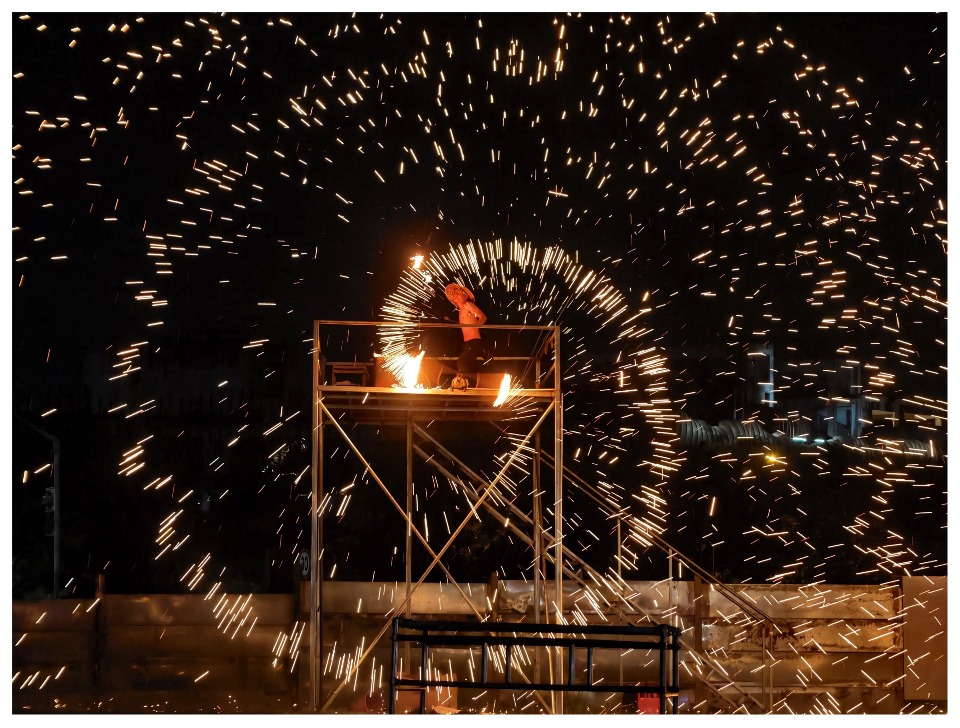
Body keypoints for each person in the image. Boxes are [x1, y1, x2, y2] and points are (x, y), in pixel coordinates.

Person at [444, 283, 488, 387]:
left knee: (462, 363)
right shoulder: (461, 311)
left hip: (474, 343)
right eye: (455, 294)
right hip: (467, 344)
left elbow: (483, 317)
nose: (458, 296)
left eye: (460, 293)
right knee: (464, 364)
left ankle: (470, 386)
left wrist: (476, 326)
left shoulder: (468, 305)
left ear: (465, 296)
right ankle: (471, 385)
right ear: (453, 299)